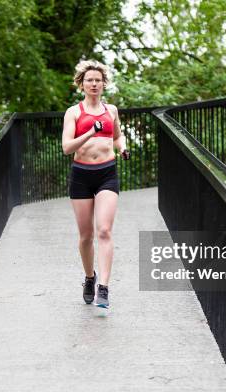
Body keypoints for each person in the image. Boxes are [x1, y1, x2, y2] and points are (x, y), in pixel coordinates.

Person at [61, 60, 130, 309]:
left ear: (103, 84)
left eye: (98, 80)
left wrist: (122, 147)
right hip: (81, 175)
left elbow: (117, 136)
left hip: (107, 174)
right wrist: (91, 131)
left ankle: (104, 287)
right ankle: (90, 278)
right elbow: (67, 147)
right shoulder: (74, 112)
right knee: (86, 236)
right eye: (89, 80)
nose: (94, 84)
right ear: (82, 84)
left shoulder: (111, 110)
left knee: (104, 231)